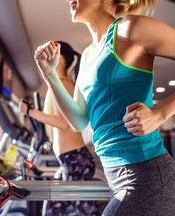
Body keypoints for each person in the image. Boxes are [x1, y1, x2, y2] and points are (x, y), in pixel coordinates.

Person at [33, 0, 175, 216]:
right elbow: (79, 120)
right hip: (116, 177)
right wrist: (49, 74)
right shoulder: (88, 55)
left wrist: (160, 112)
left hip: (145, 174)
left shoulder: (131, 28)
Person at [19, 41, 100, 216]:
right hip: (69, 161)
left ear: (60, 58)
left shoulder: (63, 84)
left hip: (75, 160)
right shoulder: (58, 84)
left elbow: (63, 123)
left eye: (52, 50)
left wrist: (30, 112)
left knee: (85, 210)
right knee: (52, 210)